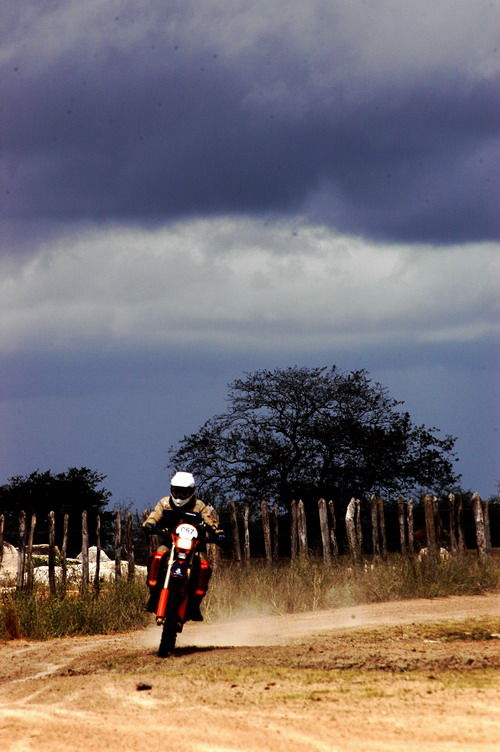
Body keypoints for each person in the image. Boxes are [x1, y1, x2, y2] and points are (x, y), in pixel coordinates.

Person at [142, 471, 225, 621]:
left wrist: (217, 532)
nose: (179, 495)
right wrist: (149, 524)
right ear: (171, 489)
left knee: (204, 566)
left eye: (183, 492)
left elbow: (210, 521)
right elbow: (154, 515)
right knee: (156, 557)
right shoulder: (165, 503)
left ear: (191, 491)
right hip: (169, 543)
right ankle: (153, 596)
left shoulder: (199, 505)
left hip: (194, 547)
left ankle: (195, 605)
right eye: (176, 491)